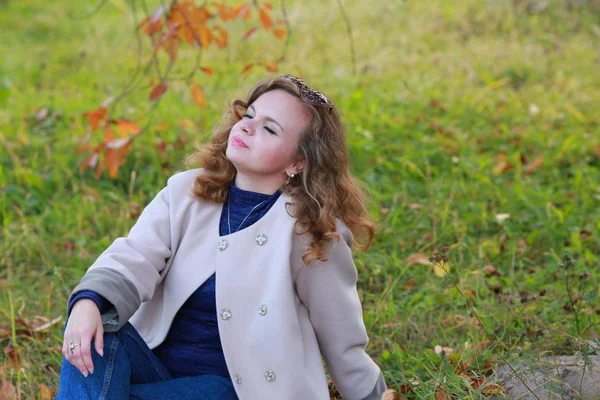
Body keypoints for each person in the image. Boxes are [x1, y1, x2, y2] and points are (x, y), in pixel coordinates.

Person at [55, 74, 388, 399]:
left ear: (298, 162)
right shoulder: (186, 192)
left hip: (238, 389)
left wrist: (372, 394)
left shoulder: (311, 232)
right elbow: (135, 255)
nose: (246, 127)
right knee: (94, 332)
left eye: (269, 129)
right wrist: (89, 303)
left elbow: (341, 334)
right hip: (154, 366)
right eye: (250, 115)